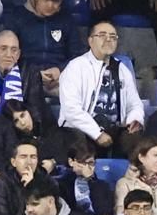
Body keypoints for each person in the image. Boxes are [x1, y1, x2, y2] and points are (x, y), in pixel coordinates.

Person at [59, 22, 143, 154]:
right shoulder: (76, 67)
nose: (108, 39)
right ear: (90, 41)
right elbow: (71, 109)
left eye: (113, 36)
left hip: (114, 130)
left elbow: (135, 103)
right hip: (82, 130)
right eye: (102, 35)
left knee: (136, 139)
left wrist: (135, 119)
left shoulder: (122, 69)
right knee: (77, 140)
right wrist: (97, 133)